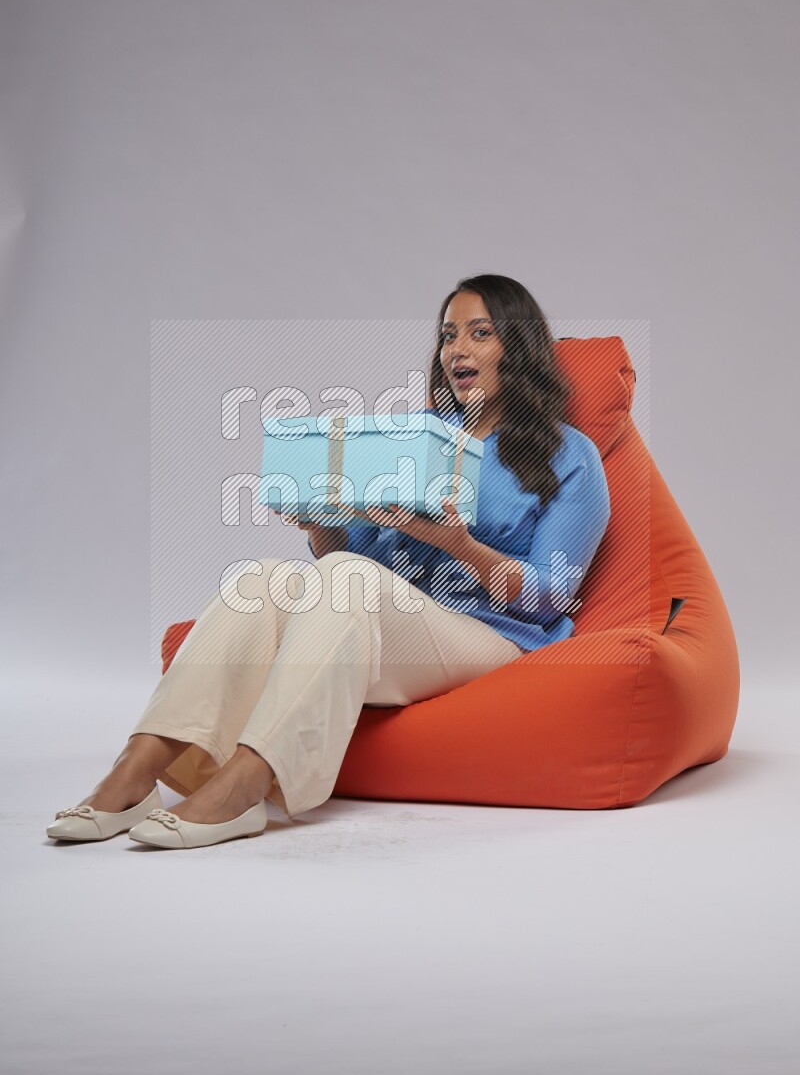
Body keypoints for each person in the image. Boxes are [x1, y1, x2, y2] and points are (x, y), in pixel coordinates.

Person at [46, 274, 611, 849]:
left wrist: (456, 543)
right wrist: (323, 528)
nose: (456, 350)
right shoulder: (421, 439)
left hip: (494, 636)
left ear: (518, 348)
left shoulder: (571, 455)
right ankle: (134, 771)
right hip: (391, 624)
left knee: (347, 581)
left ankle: (244, 785)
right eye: (448, 336)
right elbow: (354, 562)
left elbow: (552, 594)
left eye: (479, 333)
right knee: (263, 579)